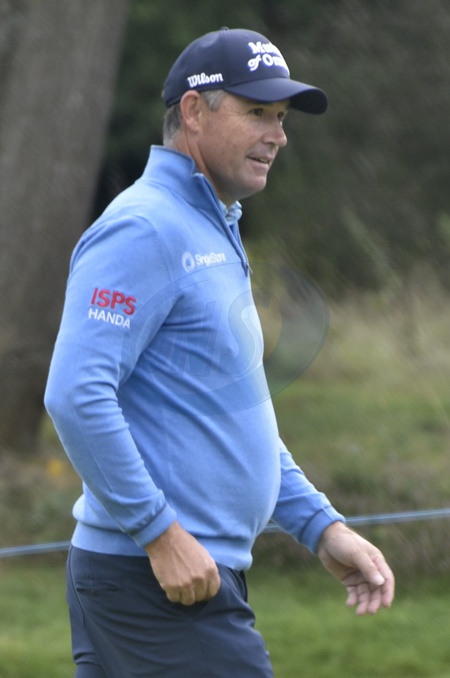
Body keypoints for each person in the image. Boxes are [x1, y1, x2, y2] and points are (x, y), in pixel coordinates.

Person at [45, 27, 394, 678]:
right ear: (194, 112)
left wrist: (320, 526)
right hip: (156, 580)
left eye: (282, 117)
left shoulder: (210, 229)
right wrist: (160, 535)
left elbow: (229, 413)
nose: (278, 135)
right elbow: (75, 393)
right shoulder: (144, 227)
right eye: (257, 112)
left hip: (175, 576)